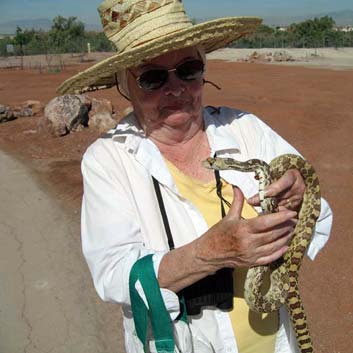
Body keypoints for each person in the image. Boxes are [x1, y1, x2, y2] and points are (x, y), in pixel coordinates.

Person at [58, 1, 333, 353]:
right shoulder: (108, 160)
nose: (175, 88)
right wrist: (208, 254)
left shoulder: (245, 129)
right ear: (126, 84)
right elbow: (113, 275)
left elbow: (318, 214)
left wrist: (299, 199)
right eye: (153, 77)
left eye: (188, 69)